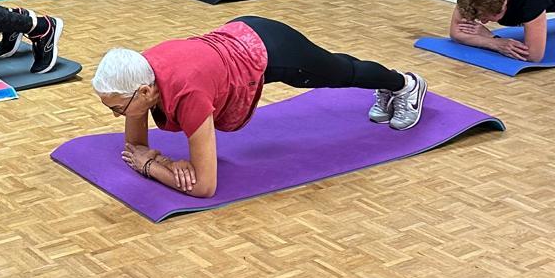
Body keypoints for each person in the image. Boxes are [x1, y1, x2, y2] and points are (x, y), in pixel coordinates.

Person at [90, 17, 428, 198]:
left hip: (273, 50)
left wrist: (151, 165)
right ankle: (393, 86)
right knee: (340, 70)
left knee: (341, 72)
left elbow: (204, 186)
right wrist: (160, 159)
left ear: (146, 90)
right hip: (238, 35)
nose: (118, 116)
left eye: (120, 109)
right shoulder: (139, 71)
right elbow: (134, 146)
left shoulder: (187, 94)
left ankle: (404, 84)